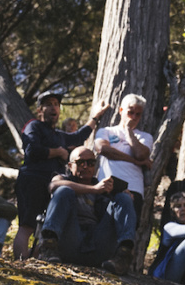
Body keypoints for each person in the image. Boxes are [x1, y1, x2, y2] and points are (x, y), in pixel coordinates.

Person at [14, 90, 112, 259]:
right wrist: (58, 152)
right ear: (40, 110)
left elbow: (79, 136)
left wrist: (95, 117)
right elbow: (31, 150)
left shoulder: (58, 135)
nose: (54, 108)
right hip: (32, 180)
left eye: (56, 105)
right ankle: (18, 265)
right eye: (49, 104)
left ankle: (33, 261)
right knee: (28, 225)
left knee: (48, 225)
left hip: (53, 186)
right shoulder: (34, 126)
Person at [38, 146, 139, 273]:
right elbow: (54, 186)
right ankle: (48, 248)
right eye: (80, 163)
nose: (86, 166)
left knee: (124, 198)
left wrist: (125, 197)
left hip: (97, 244)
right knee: (64, 190)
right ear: (70, 165)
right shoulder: (63, 179)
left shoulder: (107, 189)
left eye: (91, 163)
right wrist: (95, 189)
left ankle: (123, 255)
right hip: (69, 241)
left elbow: (121, 206)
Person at [93, 93, 153, 224]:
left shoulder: (145, 137)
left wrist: (128, 130)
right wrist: (135, 162)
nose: (134, 117)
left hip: (133, 188)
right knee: (103, 227)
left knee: (126, 231)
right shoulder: (106, 131)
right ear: (121, 110)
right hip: (106, 186)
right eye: (130, 112)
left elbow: (141, 154)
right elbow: (103, 149)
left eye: (138, 114)